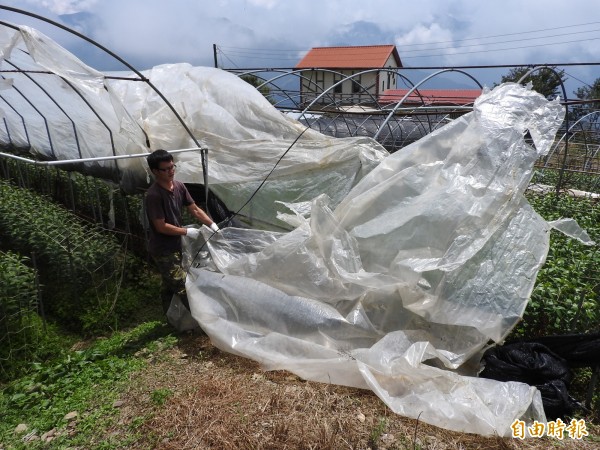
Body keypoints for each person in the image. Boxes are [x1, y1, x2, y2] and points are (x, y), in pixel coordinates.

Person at [145, 149, 220, 315]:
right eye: (166, 169)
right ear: (155, 171)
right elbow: (161, 226)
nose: (171, 171)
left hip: (176, 244)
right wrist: (186, 232)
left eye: (172, 167)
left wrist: (212, 224)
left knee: (168, 284)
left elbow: (194, 209)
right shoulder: (154, 195)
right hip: (163, 249)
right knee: (182, 285)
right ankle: (203, 321)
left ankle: (171, 318)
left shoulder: (178, 186)